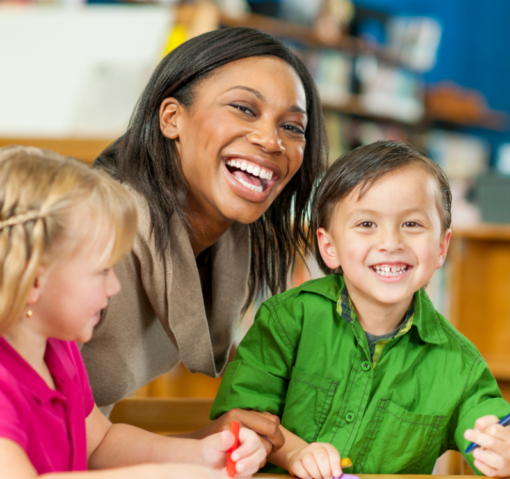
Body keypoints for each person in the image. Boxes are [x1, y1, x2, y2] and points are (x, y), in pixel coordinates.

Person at [210, 140, 510, 478]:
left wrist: (506, 451)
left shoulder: (459, 364)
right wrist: (295, 453)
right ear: (329, 246)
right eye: (366, 224)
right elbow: (240, 416)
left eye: (412, 224)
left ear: (441, 248)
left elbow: (498, 428)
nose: (391, 243)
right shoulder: (287, 319)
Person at [80, 26, 328, 449]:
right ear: (172, 118)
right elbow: (44, 422)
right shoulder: (94, 230)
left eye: (292, 126)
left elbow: (85, 435)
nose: (271, 140)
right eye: (244, 109)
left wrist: (208, 441)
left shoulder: (228, 250)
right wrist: (197, 449)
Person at [0, 147, 267, 478]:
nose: (114, 287)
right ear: (34, 279)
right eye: (100, 271)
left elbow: (99, 444)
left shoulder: (59, 351)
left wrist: (199, 455)